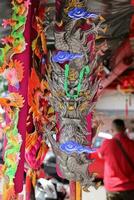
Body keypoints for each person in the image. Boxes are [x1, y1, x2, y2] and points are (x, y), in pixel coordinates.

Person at [98, 119, 134, 200]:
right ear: (125, 130)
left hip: (113, 187)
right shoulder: (132, 144)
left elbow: (100, 155)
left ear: (111, 130)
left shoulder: (107, 143)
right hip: (131, 187)